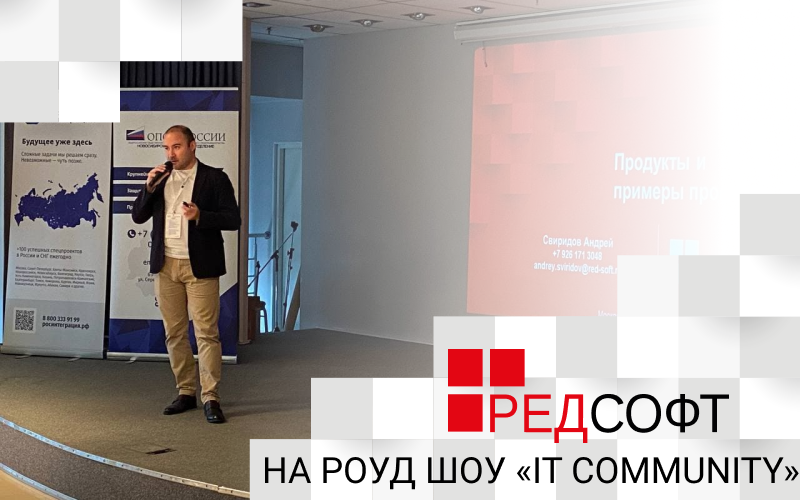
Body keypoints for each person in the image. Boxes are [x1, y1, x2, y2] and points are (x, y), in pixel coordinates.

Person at [131, 125, 240, 424]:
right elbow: (138, 216)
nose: (171, 154)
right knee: (175, 333)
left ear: (192, 145)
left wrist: (200, 215)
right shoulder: (161, 178)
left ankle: (211, 397)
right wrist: (148, 187)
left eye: (176, 147)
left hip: (200, 265)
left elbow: (233, 219)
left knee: (206, 333)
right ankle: (186, 391)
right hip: (166, 264)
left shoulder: (214, 178)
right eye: (167, 148)